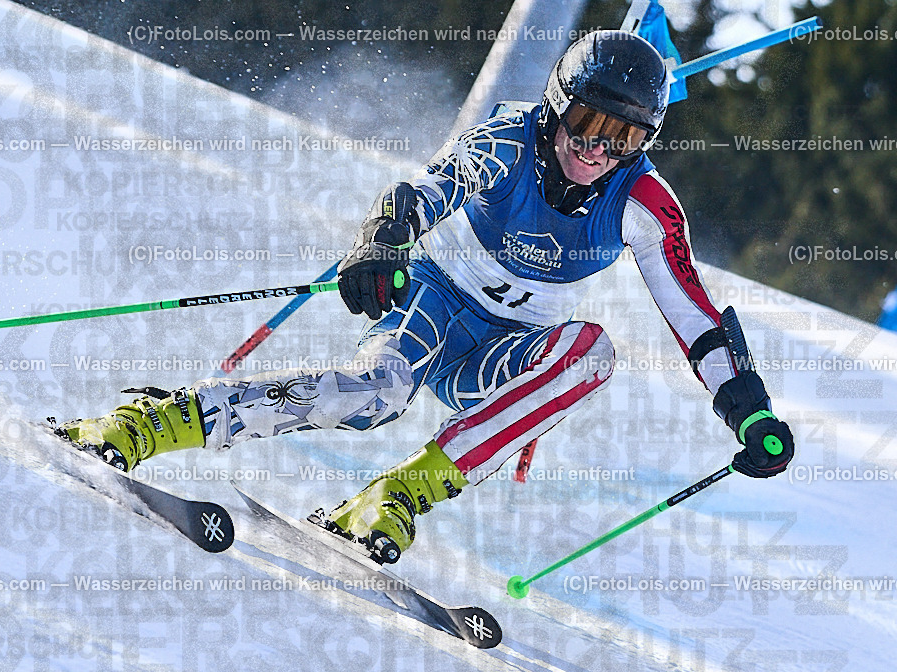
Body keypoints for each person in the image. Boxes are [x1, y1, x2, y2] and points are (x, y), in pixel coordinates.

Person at [56, 30, 794, 564]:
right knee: (374, 395)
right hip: (434, 304)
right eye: (587, 124)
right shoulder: (509, 140)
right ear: (557, 106)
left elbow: (696, 320)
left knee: (593, 354)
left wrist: (748, 406)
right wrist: (383, 242)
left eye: (623, 137)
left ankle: (399, 496)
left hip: (503, 353)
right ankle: (156, 420)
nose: (597, 151)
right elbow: (423, 192)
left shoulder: (646, 205)